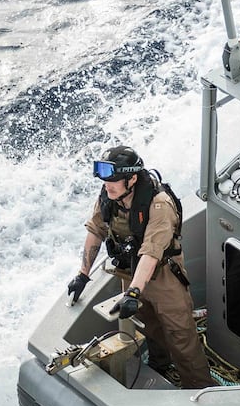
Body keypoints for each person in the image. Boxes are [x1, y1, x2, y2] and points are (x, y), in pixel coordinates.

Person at [66, 145, 215, 389]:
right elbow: (96, 231)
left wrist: (133, 292)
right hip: (132, 272)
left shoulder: (159, 205)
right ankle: (161, 365)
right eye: (105, 180)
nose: (107, 185)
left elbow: (151, 253)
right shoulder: (109, 196)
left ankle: (201, 390)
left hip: (163, 276)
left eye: (113, 180)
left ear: (132, 178)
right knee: (150, 326)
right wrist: (82, 274)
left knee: (181, 337)